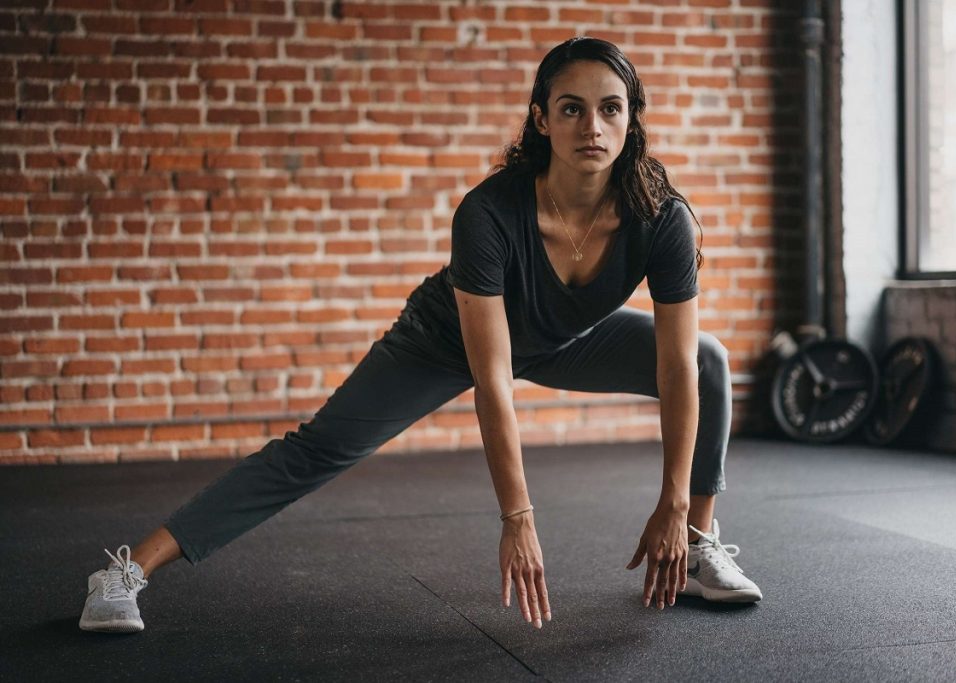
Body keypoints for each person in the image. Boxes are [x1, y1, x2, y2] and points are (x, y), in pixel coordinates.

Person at [78, 36, 762, 635]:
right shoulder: (489, 214)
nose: (593, 125)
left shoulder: (660, 216)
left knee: (706, 359)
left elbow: (675, 369)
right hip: (444, 337)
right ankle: (126, 571)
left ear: (631, 119)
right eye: (571, 108)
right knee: (318, 448)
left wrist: (674, 502)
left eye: (611, 107)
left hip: (562, 336)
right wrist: (516, 515)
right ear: (541, 119)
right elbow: (492, 380)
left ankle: (701, 541)